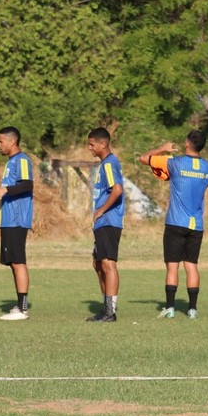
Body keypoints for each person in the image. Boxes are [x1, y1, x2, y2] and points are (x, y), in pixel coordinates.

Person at [138, 130, 208, 319]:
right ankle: (192, 309)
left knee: (172, 266)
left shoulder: (175, 163)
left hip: (175, 222)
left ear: (187, 143)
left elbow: (143, 158)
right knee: (191, 266)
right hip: (196, 224)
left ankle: (170, 308)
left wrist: (162, 149)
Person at [87, 127, 125, 322]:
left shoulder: (109, 164)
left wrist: (102, 210)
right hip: (102, 223)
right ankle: (106, 307)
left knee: (108, 264)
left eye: (92, 144)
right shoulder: (105, 164)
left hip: (109, 221)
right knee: (98, 263)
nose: (89, 148)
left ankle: (110, 311)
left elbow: (117, 189)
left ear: (103, 144)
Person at [0, 126, 34, 321]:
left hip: (17, 218)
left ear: (12, 142)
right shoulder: (10, 162)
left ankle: (23, 308)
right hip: (7, 219)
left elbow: (27, 184)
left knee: (18, 261)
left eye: (1, 141)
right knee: (12, 262)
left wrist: (5, 190)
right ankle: (19, 304)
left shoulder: (22, 160)